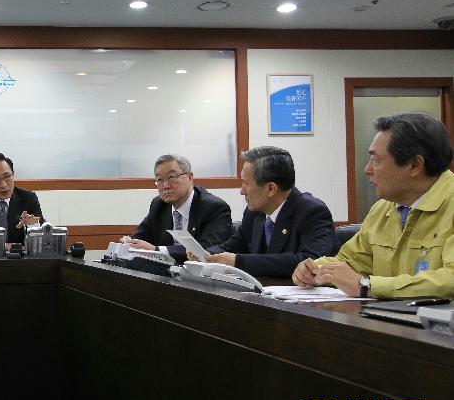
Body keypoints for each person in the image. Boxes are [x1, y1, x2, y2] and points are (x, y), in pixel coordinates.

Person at [294, 112, 453, 298]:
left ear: (414, 165)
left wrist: (367, 286)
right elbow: (351, 261)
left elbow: (450, 279)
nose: (367, 169)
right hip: (388, 322)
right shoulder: (384, 208)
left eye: (376, 160)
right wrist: (315, 269)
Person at [205, 146, 336, 278]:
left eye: (246, 183)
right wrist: (206, 254)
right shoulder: (254, 212)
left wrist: (239, 261)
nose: (242, 191)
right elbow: (235, 246)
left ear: (271, 189)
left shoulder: (312, 211)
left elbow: (310, 261)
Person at [121, 154, 232, 263]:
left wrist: (156, 250)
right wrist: (130, 242)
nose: (165, 185)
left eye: (171, 177)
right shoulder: (159, 205)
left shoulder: (214, 208)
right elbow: (142, 236)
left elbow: (205, 250)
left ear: (190, 177)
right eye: (159, 180)